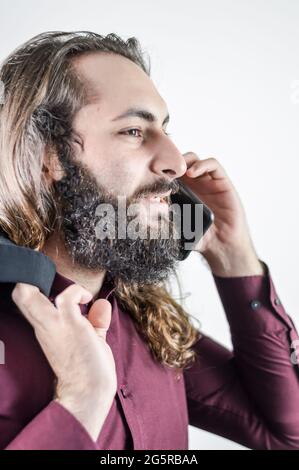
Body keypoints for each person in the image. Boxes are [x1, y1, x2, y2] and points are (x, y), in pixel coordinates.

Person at [0, 31, 298, 450]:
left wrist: (233, 254)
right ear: (49, 156)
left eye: (165, 128)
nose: (176, 162)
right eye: (134, 131)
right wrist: (81, 402)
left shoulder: (145, 319)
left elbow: (285, 431)